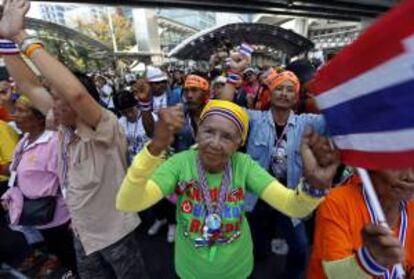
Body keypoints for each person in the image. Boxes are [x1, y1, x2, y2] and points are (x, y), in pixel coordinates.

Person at [0, 2, 147, 277]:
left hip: (116, 234)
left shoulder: (104, 125)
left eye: (58, 98)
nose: (52, 105)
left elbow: (77, 95)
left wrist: (21, 36)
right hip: (82, 232)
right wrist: (4, 39)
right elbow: (30, 86)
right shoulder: (62, 125)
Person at [116, 99, 340, 279]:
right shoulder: (181, 163)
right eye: (208, 131)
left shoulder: (243, 165)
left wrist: (314, 186)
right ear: (197, 132)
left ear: (239, 143)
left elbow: (291, 205)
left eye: (227, 137)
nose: (214, 143)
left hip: (238, 271)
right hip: (190, 272)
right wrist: (155, 148)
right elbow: (129, 203)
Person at [221, 66, 326, 278]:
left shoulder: (307, 122)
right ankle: (256, 260)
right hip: (255, 195)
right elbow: (224, 109)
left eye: (290, 90)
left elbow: (336, 120)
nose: (284, 94)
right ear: (271, 92)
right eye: (279, 88)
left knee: (300, 246)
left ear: (296, 97)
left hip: (288, 195)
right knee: (252, 239)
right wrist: (233, 75)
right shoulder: (255, 119)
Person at [1, 96, 77, 276]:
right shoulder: (25, 141)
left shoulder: (53, 143)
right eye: (15, 110)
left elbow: (69, 180)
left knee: (74, 257)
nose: (15, 115)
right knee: (62, 256)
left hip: (60, 218)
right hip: (39, 218)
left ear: (38, 118)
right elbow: (15, 172)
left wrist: (76, 216)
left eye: (21, 111)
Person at [307, 169, 414, 279]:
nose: (410, 177)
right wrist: (369, 261)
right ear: (369, 169)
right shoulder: (338, 202)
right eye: (396, 165)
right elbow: (335, 275)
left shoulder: (411, 211)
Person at [114, 90, 154, 164]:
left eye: (131, 110)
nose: (129, 115)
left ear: (136, 105)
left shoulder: (150, 118)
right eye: (124, 113)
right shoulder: (119, 123)